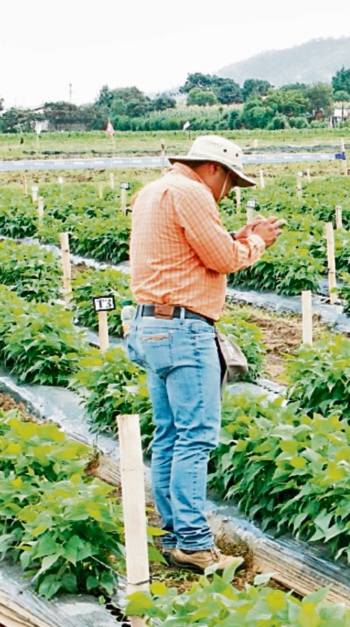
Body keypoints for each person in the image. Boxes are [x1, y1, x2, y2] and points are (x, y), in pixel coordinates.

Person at [125, 135, 283, 574]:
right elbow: (222, 259)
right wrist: (257, 242)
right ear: (214, 168)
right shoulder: (193, 190)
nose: (229, 191)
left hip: (150, 324)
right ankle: (195, 543)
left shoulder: (155, 190)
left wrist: (234, 236)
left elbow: (185, 252)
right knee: (195, 437)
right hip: (183, 329)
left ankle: (176, 536)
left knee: (170, 435)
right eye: (230, 181)